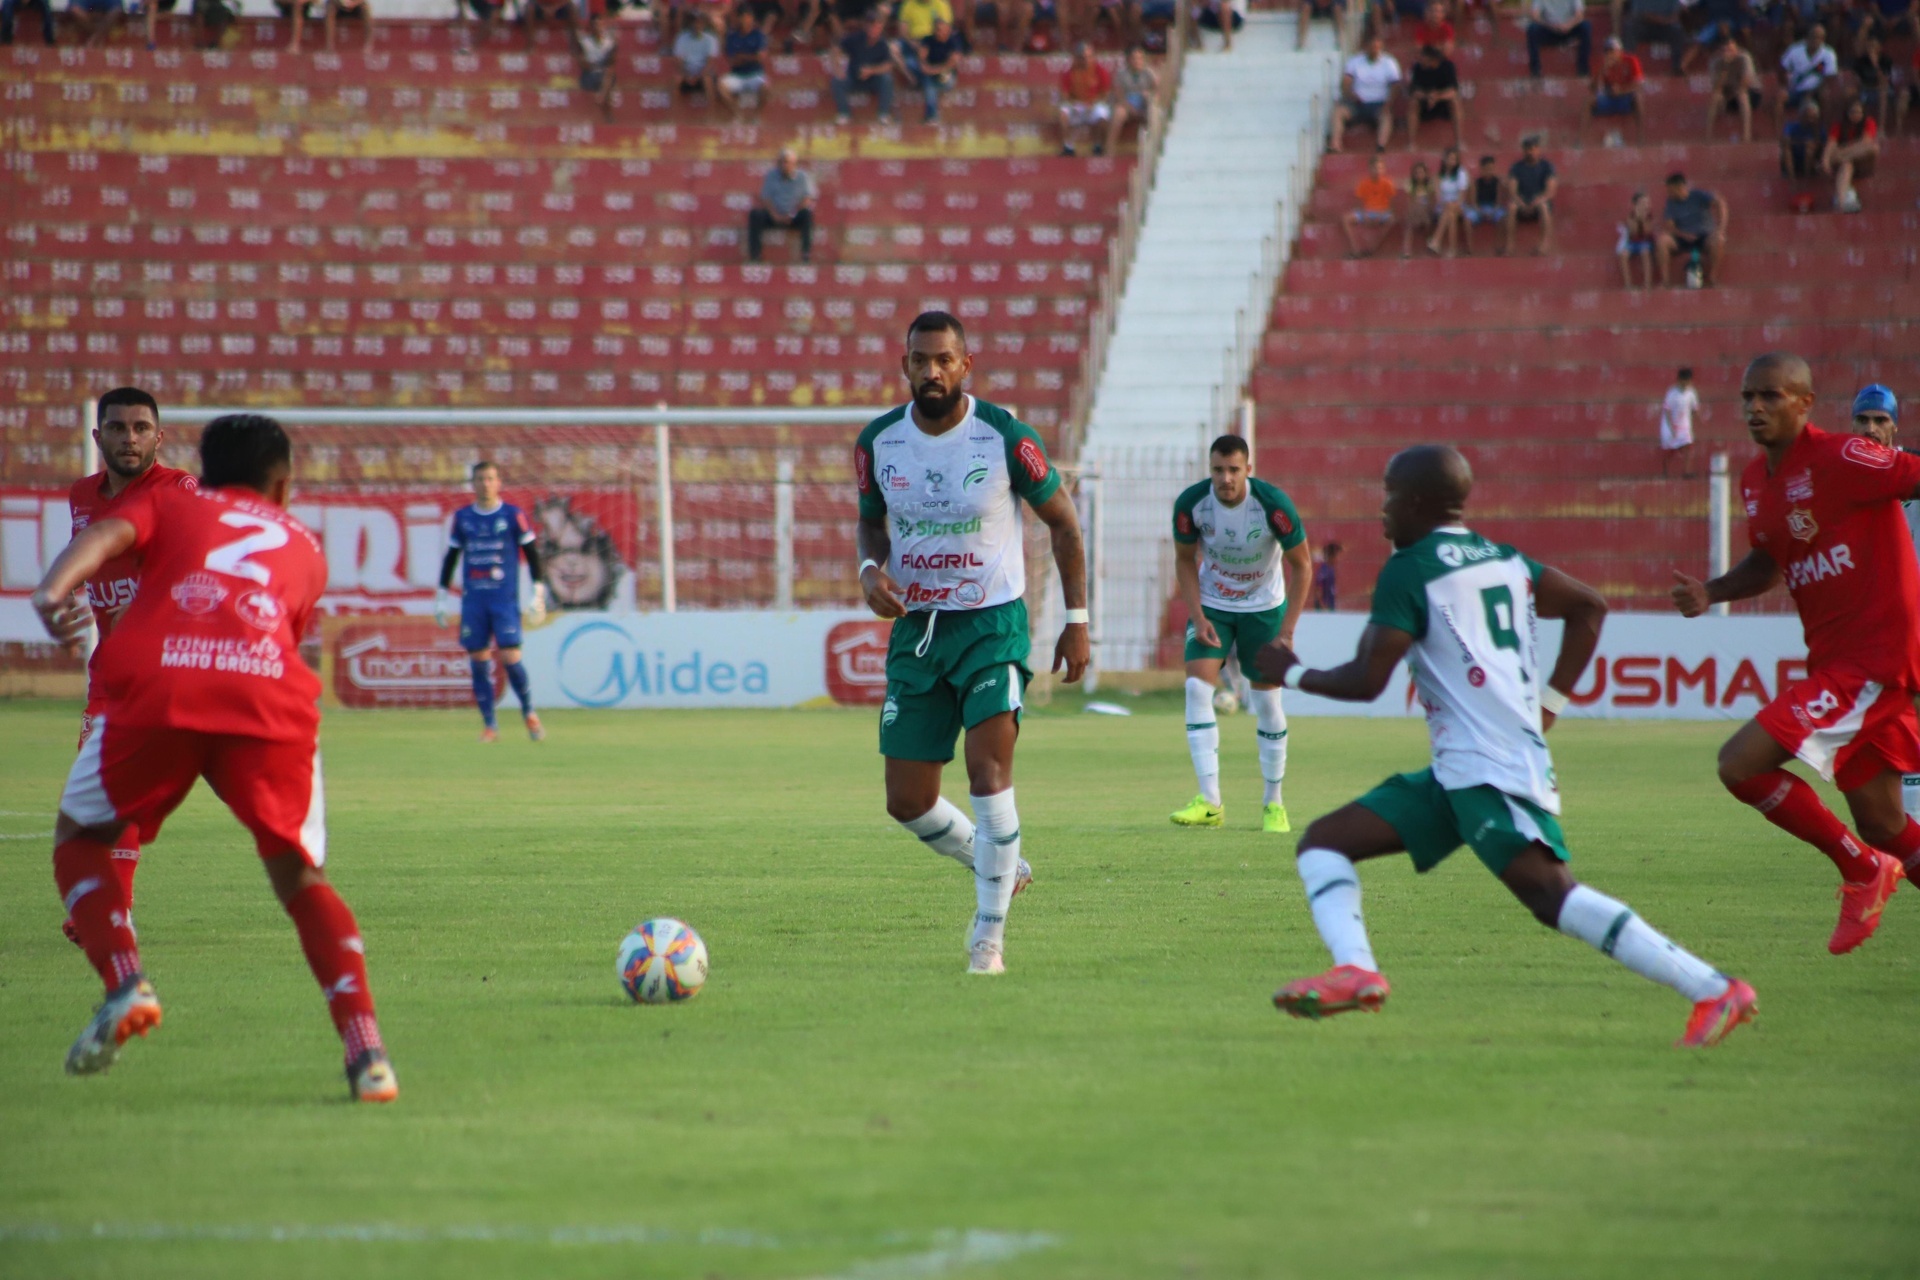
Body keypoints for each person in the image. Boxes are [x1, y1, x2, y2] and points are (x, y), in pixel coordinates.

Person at [1254, 445, 1756, 1046]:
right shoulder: (1505, 560)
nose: (1382, 510)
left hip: (1490, 771)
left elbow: (1366, 682)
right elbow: (1589, 606)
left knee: (1552, 896)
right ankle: (1356, 970)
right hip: (1459, 771)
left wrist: (1288, 672)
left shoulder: (1411, 568)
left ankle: (1713, 987)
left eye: (1389, 495)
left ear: (1418, 501)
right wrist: (1551, 704)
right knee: (1324, 842)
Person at [30, 414, 401, 1100]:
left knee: (81, 840)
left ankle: (126, 981)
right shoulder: (306, 546)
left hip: (162, 684)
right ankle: (368, 1053)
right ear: (283, 485)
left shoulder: (171, 502)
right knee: (301, 880)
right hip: (267, 697)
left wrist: (54, 589)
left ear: (203, 471)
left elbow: (105, 536)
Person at [853, 311, 1090, 976]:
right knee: (907, 800)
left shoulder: (1005, 436)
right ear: (905, 365)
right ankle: (1006, 867)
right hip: (918, 631)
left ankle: (988, 937)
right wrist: (869, 570)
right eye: (920, 360)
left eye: (944, 360)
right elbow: (871, 524)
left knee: (987, 776)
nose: (931, 371)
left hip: (991, 628)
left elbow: (1064, 524)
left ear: (965, 366)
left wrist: (1077, 618)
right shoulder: (878, 443)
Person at [1672, 354, 1920, 956]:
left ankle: (1861, 869)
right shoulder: (1756, 482)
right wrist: (1713, 592)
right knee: (1885, 824)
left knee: (1740, 764)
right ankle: (1873, 856)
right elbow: (1769, 561)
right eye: (1748, 397)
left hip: (1874, 662)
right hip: (1837, 663)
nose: (1755, 408)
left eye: (1771, 396)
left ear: (1805, 403)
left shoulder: (1846, 457)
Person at [54, 388, 198, 951]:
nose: (129, 438)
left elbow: (190, 557)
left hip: (167, 671)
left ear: (159, 438)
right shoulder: (82, 495)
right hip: (111, 672)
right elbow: (86, 557)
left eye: (141, 428)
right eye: (118, 428)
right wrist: (63, 591)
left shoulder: (177, 488)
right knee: (101, 791)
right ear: (99, 437)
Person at [1168, 437, 1312, 834]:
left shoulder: (1272, 506)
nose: (1225, 478)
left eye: (1234, 470)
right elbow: (1184, 559)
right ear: (1210, 469)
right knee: (1197, 689)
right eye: (1218, 470)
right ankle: (1210, 801)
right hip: (1213, 604)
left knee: (1266, 702)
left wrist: (1287, 632)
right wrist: (1197, 615)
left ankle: (1273, 803)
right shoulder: (1192, 504)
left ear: (1248, 469)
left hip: (1264, 608)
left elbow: (1303, 566)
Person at [436, 461, 549, 744]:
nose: (485, 484)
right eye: (480, 479)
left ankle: (529, 713)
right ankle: (490, 725)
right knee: (478, 660)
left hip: (503, 600)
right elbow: (451, 558)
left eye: (490, 479)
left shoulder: (512, 515)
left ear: (499, 483)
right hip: (474, 601)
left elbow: (532, 553)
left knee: (510, 657)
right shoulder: (463, 517)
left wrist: (538, 592)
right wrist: (441, 595)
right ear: (473, 484)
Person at [1847, 384, 1919, 820]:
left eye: (1880, 420)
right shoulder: (1841, 480)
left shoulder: (1912, 470)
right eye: (1863, 420)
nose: (1871, 428)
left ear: (1894, 426)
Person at [1655, 171, 1727, 287]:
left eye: (1670, 190)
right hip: (1683, 237)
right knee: (1662, 241)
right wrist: (1683, 234)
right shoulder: (1671, 202)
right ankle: (1665, 281)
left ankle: (1712, 277)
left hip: (1704, 236)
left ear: (1679, 187)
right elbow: (1670, 225)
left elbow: (1720, 202)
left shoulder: (1698, 195)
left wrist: (1721, 228)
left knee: (1719, 240)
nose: (1668, 193)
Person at [1331, 35, 1402, 152]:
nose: (1374, 50)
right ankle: (1335, 144)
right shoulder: (1355, 61)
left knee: (1386, 116)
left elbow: (1396, 85)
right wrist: (1351, 94)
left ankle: (1381, 145)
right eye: (1372, 46)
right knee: (1338, 112)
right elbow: (1345, 83)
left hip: (1379, 103)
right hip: (1358, 102)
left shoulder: (1389, 62)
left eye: (1376, 47)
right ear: (1366, 47)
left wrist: (1388, 103)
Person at [748, 145, 816, 261]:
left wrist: (792, 214)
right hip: (775, 215)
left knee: (807, 214)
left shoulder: (802, 177)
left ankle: (806, 254)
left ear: (794, 164)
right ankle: (755, 255)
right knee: (755, 214)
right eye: (782, 162)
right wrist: (775, 215)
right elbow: (766, 198)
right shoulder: (771, 175)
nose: (784, 165)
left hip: (794, 216)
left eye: (787, 162)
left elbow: (807, 199)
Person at [831, 9, 898, 124]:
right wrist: (838, 69)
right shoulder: (855, 38)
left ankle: (883, 114)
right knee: (837, 81)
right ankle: (844, 114)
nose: (874, 29)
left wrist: (872, 70)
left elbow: (888, 65)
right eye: (872, 26)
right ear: (867, 26)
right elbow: (836, 48)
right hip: (853, 78)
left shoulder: (882, 43)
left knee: (887, 79)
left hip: (873, 80)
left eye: (877, 26)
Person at [1585, 35, 1645, 143]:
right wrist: (1602, 69)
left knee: (1638, 98)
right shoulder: (1603, 63)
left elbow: (1639, 84)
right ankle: (1581, 139)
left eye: (1613, 51)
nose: (1610, 54)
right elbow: (1593, 88)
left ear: (1620, 51)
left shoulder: (1631, 60)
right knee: (1589, 101)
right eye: (1608, 51)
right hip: (1609, 97)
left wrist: (1622, 90)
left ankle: (1641, 136)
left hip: (1625, 97)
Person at [1823, 96, 1879, 211]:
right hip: (1845, 162)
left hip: (1862, 162)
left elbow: (1866, 142)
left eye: (1859, 112)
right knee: (1846, 166)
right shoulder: (1838, 126)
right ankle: (1841, 202)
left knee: (1873, 147)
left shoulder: (1868, 122)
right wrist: (1825, 161)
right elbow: (1831, 145)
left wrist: (1841, 153)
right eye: (1853, 112)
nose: (1856, 115)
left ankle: (1841, 157)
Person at [1405, 44, 1464, 151]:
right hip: (1425, 102)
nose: (1421, 60)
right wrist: (1428, 96)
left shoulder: (1447, 66)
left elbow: (1453, 91)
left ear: (1432, 59)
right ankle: (1411, 143)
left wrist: (1437, 96)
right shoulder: (1418, 67)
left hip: (1442, 102)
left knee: (1454, 102)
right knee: (1413, 103)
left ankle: (1459, 142)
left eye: (1424, 58)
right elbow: (1414, 91)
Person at [1056, 41, 1112, 155]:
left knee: (1103, 114)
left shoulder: (1100, 71)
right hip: (1077, 104)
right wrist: (1075, 104)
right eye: (1083, 57)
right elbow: (1064, 95)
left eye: (1089, 57)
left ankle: (1098, 145)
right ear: (1077, 58)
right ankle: (1068, 146)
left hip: (1094, 104)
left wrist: (1093, 103)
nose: (1086, 60)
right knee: (1063, 113)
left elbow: (1106, 94)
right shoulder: (1070, 72)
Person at [1504, 135, 1556, 256]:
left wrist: (1537, 201)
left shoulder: (1547, 166)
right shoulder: (1516, 167)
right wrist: (1521, 203)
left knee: (1544, 206)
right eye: (1527, 149)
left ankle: (1544, 245)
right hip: (1521, 201)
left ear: (1538, 149)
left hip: (1539, 201)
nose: (1530, 152)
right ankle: (1510, 246)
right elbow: (1512, 191)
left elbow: (1550, 192)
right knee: (1512, 207)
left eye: (1533, 149)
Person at [1706, 32, 1763, 142]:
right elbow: (1716, 87)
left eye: (1731, 49)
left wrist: (1735, 91)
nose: (1729, 52)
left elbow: (1746, 82)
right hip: (1728, 93)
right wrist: (1725, 67)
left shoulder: (1744, 57)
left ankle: (1746, 135)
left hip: (1751, 93)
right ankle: (1708, 135)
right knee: (1715, 97)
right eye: (1725, 50)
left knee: (1742, 95)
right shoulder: (1715, 61)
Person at [1342, 152, 1398, 258]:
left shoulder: (1388, 183)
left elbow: (1392, 204)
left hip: (1382, 212)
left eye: (1380, 168)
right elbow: (1359, 203)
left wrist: (1380, 216)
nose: (1377, 171)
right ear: (1370, 169)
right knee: (1346, 219)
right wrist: (1365, 215)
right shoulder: (1364, 183)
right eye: (1375, 168)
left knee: (1391, 219)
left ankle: (1373, 248)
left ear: (1383, 169)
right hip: (1367, 212)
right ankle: (1356, 250)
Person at [718, 5, 772, 114]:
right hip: (737, 75)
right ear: (739, 19)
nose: (747, 20)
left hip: (755, 74)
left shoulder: (758, 35)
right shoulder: (732, 36)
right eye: (744, 17)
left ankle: (756, 114)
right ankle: (738, 113)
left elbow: (760, 57)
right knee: (721, 86)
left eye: (749, 17)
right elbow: (733, 61)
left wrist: (743, 56)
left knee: (766, 88)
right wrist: (750, 57)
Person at [1105, 44, 1158, 152]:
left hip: (1144, 104)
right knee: (1119, 113)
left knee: (1152, 108)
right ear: (1128, 60)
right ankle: (1110, 147)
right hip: (1126, 104)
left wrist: (1149, 96)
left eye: (1140, 58)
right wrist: (1129, 108)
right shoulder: (1121, 74)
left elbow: (1157, 91)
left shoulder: (1149, 73)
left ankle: (1154, 144)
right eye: (1134, 58)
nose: (1137, 61)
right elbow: (1119, 95)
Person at [1779, 24, 1837, 117]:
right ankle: (1778, 125)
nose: (1815, 40)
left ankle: (1824, 124)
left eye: (1819, 37)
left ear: (1823, 39)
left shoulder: (1829, 54)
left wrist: (1812, 93)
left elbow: (1830, 78)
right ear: (1807, 37)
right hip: (1796, 90)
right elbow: (1782, 68)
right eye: (1813, 36)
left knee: (1825, 96)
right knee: (1780, 97)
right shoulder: (1795, 49)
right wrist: (1786, 85)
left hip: (1816, 92)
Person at [1527, 0, 1592, 77]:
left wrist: (1568, 25)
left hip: (1569, 29)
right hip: (1549, 29)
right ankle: (1535, 71)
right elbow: (1535, 16)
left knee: (1585, 27)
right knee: (1532, 29)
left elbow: (1579, 15)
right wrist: (1551, 25)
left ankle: (1583, 70)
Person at [573, 12, 619, 122]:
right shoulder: (584, 42)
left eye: (599, 24)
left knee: (608, 74)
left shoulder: (609, 42)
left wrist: (614, 47)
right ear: (591, 27)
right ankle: (607, 114)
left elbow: (611, 62)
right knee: (606, 79)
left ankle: (602, 98)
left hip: (604, 74)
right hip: (589, 75)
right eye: (594, 25)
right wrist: (595, 65)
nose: (597, 27)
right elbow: (583, 63)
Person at [915, 15, 962, 122]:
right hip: (930, 74)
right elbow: (921, 59)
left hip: (946, 76)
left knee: (930, 84)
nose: (938, 32)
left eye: (941, 29)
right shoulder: (927, 40)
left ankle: (931, 116)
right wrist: (929, 70)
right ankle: (932, 116)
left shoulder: (954, 41)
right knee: (929, 83)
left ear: (948, 29)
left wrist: (932, 70)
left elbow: (953, 63)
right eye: (936, 29)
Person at [1623, 0, 1687, 75]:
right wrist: (1663, 20)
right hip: (1644, 25)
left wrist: (1667, 20)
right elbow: (1642, 14)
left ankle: (1676, 67)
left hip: (1665, 27)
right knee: (1630, 27)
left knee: (1677, 30)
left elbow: (1676, 14)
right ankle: (1628, 65)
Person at [1461, 152, 1506, 254]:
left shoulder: (1498, 182)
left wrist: (1493, 212)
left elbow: (1499, 202)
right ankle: (1469, 248)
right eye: (1486, 169)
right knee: (1467, 219)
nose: (1489, 171)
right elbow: (1473, 202)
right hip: (1479, 208)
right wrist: (1480, 211)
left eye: (1491, 168)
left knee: (1503, 217)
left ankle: (1499, 245)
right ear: (1481, 169)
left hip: (1493, 207)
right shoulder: (1476, 183)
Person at [1659, 366, 1701, 475]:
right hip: (1672, 425)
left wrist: (1692, 421)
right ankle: (1665, 469)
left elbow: (1694, 409)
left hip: (1684, 426)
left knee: (1688, 447)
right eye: (1684, 380)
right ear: (1679, 380)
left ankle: (1686, 471)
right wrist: (1671, 427)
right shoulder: (1672, 393)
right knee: (1672, 450)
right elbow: (1667, 411)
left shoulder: (1691, 393)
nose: (1685, 383)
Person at [1428, 146, 1469, 256]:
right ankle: (1452, 249)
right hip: (1443, 206)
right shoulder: (1438, 176)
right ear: (1444, 159)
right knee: (1450, 214)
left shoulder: (1461, 173)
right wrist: (1445, 204)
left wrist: (1452, 204)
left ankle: (1436, 241)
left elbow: (1462, 197)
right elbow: (1438, 197)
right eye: (1450, 158)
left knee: (1450, 209)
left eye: (1454, 159)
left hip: (1458, 206)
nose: (1452, 161)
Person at [674, 10, 723, 100]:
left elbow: (710, 63)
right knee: (676, 79)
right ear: (691, 24)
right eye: (695, 22)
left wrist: (699, 76)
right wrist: (686, 75)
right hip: (688, 71)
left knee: (707, 79)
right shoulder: (682, 38)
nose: (697, 25)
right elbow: (679, 61)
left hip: (704, 72)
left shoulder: (710, 39)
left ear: (703, 24)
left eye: (699, 23)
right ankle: (674, 108)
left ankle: (711, 108)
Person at [290, 0, 373, 52]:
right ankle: (329, 46)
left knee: (366, 8)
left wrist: (353, 3)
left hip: (355, 5)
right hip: (339, 5)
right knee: (330, 7)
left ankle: (368, 45)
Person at [1617, 190, 1656, 288]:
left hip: (1646, 242)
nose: (1645, 206)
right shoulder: (1630, 216)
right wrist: (1637, 218)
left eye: (1646, 203)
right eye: (1642, 203)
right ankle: (1628, 284)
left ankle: (1647, 283)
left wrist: (1642, 219)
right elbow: (1633, 231)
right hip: (1633, 243)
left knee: (1645, 252)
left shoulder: (1649, 216)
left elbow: (1647, 231)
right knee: (1624, 255)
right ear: (1635, 205)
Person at [1400, 158, 1438, 257]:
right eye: (1416, 173)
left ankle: (1429, 241)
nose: (1419, 175)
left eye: (1421, 172)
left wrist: (1423, 209)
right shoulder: (1410, 184)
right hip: (1414, 212)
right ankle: (1406, 249)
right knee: (1410, 220)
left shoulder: (1429, 185)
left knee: (1425, 216)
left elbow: (1431, 202)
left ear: (1425, 173)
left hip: (1427, 212)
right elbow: (1410, 202)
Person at [1781, 98, 1824, 178]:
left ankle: (1807, 176)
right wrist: (1802, 142)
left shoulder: (1819, 129)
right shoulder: (1791, 126)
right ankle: (1792, 178)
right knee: (1787, 150)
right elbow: (1785, 140)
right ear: (1801, 116)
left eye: (1813, 117)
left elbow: (1823, 145)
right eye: (1808, 117)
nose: (1810, 120)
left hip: (1811, 160)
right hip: (1795, 157)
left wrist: (1815, 140)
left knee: (1809, 149)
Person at [1310, 540, 1342, 609]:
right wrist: (1323, 607)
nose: (1338, 558)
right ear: (1331, 556)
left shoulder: (1331, 569)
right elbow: (1318, 590)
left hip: (1330, 606)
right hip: (1325, 608)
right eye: (1337, 555)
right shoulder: (1324, 571)